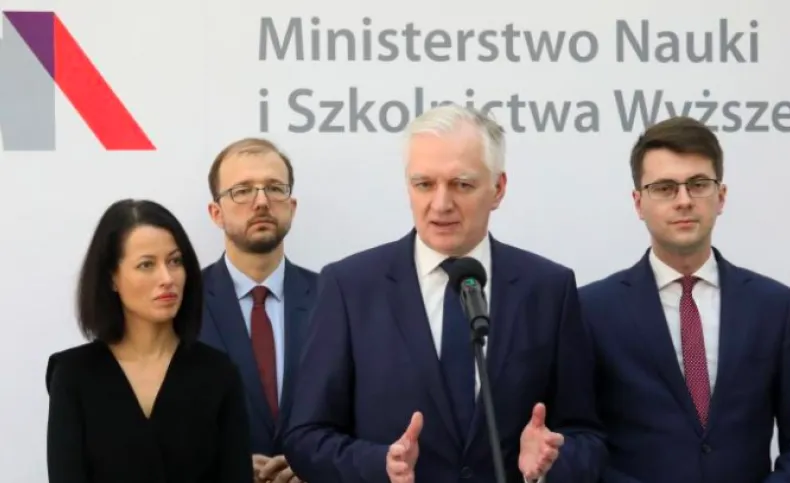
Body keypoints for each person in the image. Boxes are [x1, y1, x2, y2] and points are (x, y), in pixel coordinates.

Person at [283, 104, 607, 483]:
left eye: (462, 184)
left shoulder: (548, 289)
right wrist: (380, 465)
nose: (440, 204)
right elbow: (305, 438)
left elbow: (589, 438)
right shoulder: (349, 287)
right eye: (424, 184)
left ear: (498, 189)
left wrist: (550, 464)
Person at [579, 116, 790, 483]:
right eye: (665, 187)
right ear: (639, 202)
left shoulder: (773, 307)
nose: (684, 201)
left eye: (698, 184)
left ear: (721, 196)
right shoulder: (592, 310)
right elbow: (579, 442)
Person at [45, 199, 253, 483]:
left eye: (175, 261)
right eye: (146, 265)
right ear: (112, 278)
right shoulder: (73, 374)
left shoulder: (218, 373)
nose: (167, 278)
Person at [199, 138, 318, 483]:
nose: (262, 201)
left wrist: (316, 465)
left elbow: (358, 412)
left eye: (274, 188)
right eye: (243, 191)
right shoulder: (183, 305)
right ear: (216, 212)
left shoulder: (334, 299)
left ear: (292, 206)